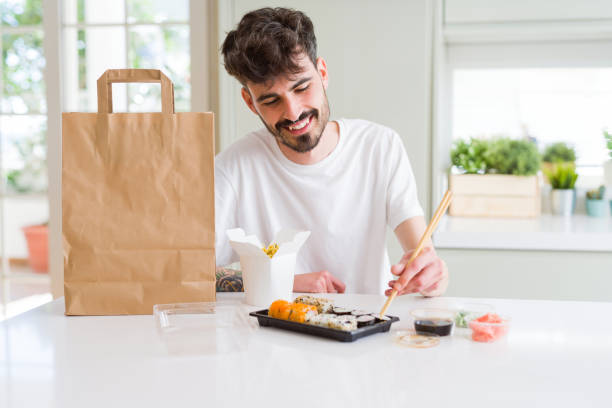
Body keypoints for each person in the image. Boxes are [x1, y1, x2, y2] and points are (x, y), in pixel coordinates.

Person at [215, 7, 448, 297]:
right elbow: (189, 272)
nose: (293, 112)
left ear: (322, 73)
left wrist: (431, 273)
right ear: (250, 103)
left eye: (301, 88)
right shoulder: (232, 168)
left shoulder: (380, 147)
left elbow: (421, 253)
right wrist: (281, 279)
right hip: (270, 338)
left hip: (366, 333)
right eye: (272, 100)